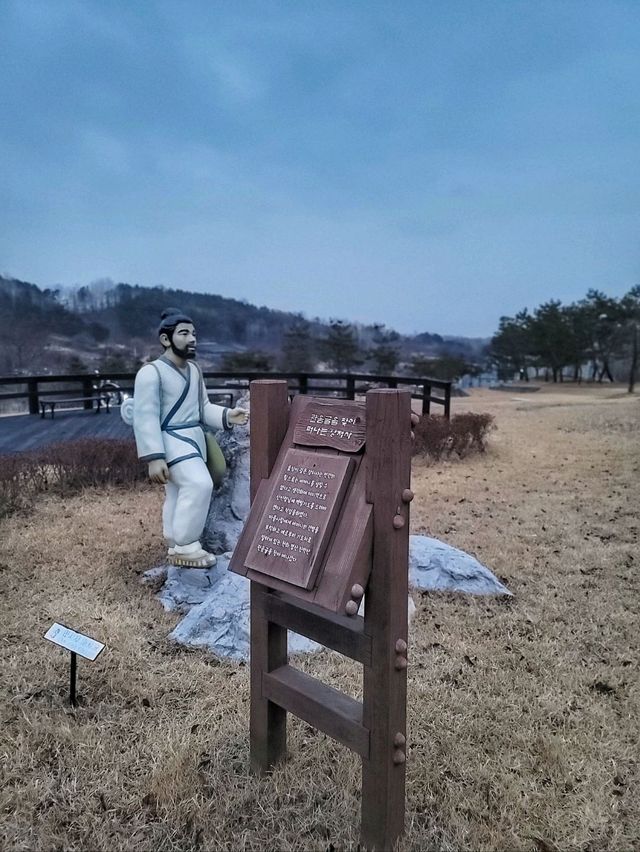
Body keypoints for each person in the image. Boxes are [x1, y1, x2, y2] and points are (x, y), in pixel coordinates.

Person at [133, 308, 249, 567]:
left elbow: (203, 407)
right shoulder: (151, 373)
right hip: (170, 439)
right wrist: (154, 456)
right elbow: (145, 417)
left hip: (194, 439)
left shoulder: (194, 370)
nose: (192, 339)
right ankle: (186, 545)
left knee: (178, 491)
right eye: (184, 333)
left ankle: (175, 540)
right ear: (166, 339)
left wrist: (228, 415)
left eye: (194, 333)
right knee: (198, 484)